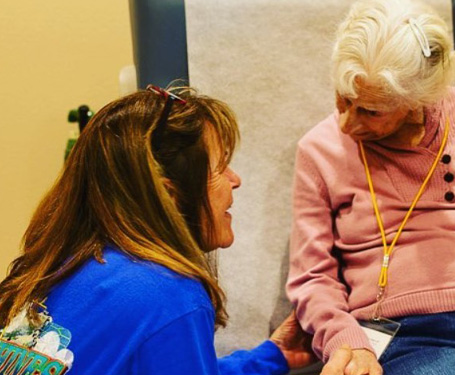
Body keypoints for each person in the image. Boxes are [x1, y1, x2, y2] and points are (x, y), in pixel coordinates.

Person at [0, 85, 353, 374]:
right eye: (219, 168)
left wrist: (271, 356)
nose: (236, 181)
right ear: (171, 194)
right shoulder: (169, 295)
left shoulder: (65, 266)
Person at [286, 0, 455, 374]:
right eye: (343, 99)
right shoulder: (318, 150)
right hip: (412, 332)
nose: (346, 122)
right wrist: (345, 339)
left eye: (371, 111)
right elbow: (312, 275)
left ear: (417, 101)